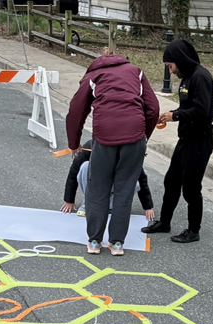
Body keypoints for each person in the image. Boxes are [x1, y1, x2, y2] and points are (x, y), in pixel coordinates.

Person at [65, 51, 159, 256]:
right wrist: (143, 137)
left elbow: (76, 110)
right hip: (134, 135)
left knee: (98, 187)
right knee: (124, 189)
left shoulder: (94, 76)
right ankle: (117, 243)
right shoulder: (137, 72)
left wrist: (74, 143)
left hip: (104, 135)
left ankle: (94, 242)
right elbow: (153, 108)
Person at [142, 39, 213, 244]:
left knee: (191, 188)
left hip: (199, 141)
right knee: (171, 181)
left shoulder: (201, 77)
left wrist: (175, 116)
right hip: (186, 139)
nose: (171, 71)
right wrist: (173, 114)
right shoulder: (187, 77)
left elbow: (202, 111)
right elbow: (187, 107)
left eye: (170, 66)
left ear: (180, 60)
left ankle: (193, 231)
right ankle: (164, 223)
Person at [62, 140, 154, 221]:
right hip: (96, 184)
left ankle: (114, 206)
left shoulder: (127, 153)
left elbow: (141, 179)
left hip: (117, 186)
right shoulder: (90, 147)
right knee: (85, 167)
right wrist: (69, 200)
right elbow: (73, 173)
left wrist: (148, 207)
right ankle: (88, 204)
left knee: (135, 182)